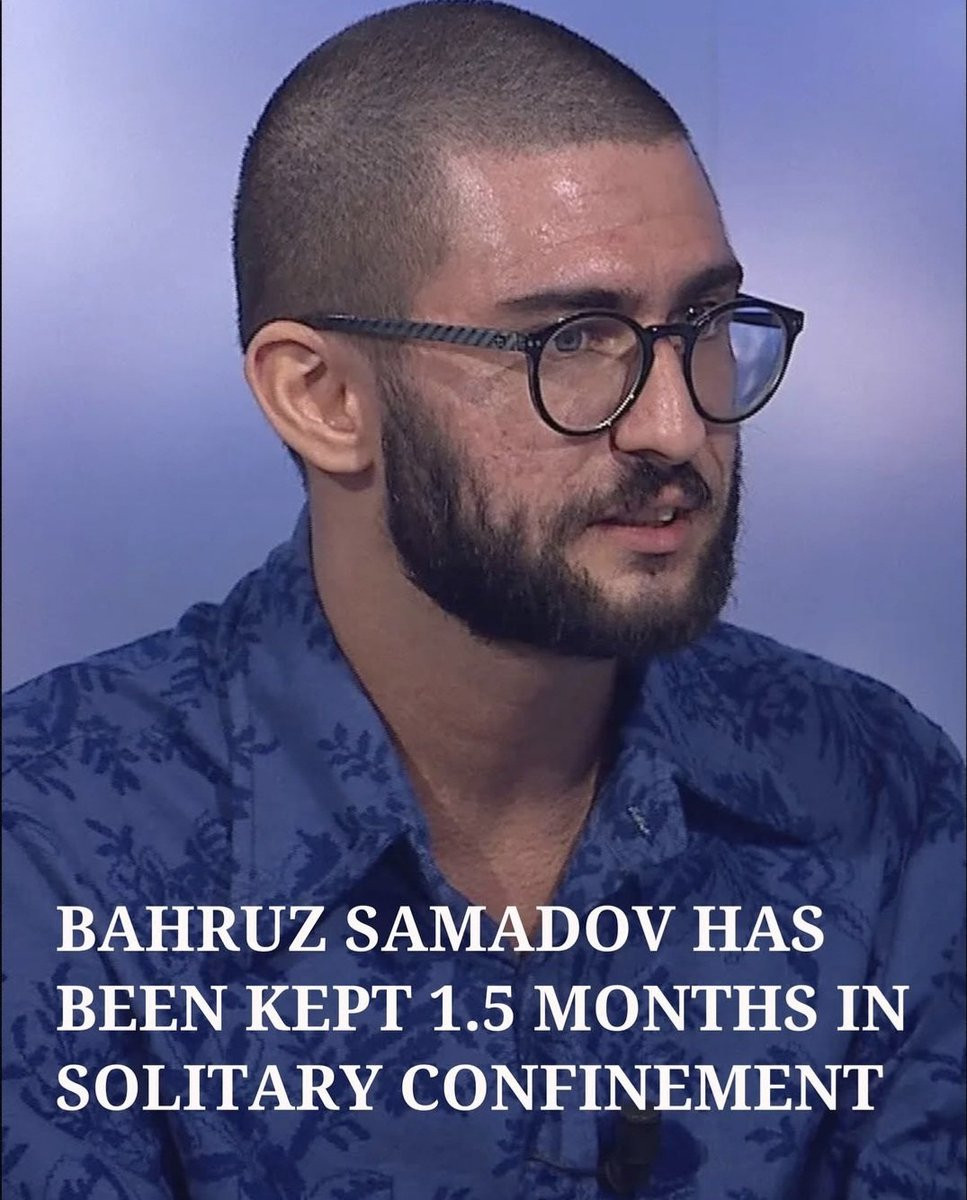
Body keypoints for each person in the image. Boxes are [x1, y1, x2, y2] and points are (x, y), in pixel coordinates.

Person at [3, 3, 963, 1198]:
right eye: (573, 341)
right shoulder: (47, 842)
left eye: (704, 326)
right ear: (322, 399)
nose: (675, 427)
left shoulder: (878, 788)